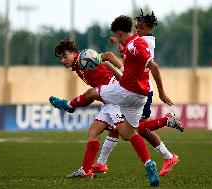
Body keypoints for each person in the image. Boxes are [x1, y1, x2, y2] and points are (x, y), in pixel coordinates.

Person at [50, 15, 174, 187]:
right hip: (126, 95)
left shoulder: (86, 58)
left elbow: (113, 58)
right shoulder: (82, 64)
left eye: (65, 56)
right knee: (100, 131)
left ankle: (69, 105)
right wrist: (117, 43)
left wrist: (113, 66)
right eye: (61, 58)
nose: (63, 61)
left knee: (95, 96)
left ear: (73, 53)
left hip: (119, 96)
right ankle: (89, 170)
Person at [92, 10, 181, 177]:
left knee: (135, 130)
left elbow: (137, 50)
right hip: (134, 88)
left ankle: (166, 128)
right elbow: (129, 43)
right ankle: (100, 163)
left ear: (147, 27)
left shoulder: (144, 42)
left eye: (139, 26)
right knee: (121, 128)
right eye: (135, 26)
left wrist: (117, 49)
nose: (136, 28)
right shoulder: (139, 40)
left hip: (140, 91)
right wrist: (118, 39)